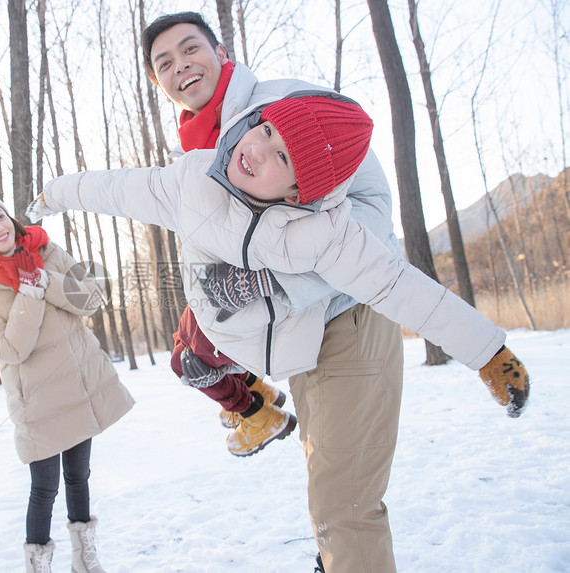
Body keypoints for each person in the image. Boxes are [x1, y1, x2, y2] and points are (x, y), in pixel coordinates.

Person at [27, 93, 530, 572]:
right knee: (190, 362)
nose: (256, 149)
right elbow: (114, 188)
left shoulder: (328, 235)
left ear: (297, 191)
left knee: (335, 483)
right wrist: (56, 192)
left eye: (281, 157)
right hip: (224, 325)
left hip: (294, 338)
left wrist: (487, 351)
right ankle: (254, 408)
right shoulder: (192, 179)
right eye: (264, 130)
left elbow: (402, 286)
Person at [140, 12, 404, 573]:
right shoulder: (196, 157)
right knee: (328, 488)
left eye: (190, 49)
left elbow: (373, 209)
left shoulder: (284, 102)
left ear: (219, 50)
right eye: (164, 63)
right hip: (294, 335)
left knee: (344, 503)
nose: (180, 65)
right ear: (157, 82)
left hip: (349, 315)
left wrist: (274, 282)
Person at [0, 191, 135, 573]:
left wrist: (45, 279)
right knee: (45, 488)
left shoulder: (46, 250)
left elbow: (91, 300)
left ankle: (85, 559)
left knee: (79, 477)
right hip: (37, 401)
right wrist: (29, 292)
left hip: (79, 386)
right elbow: (8, 349)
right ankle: (39, 565)